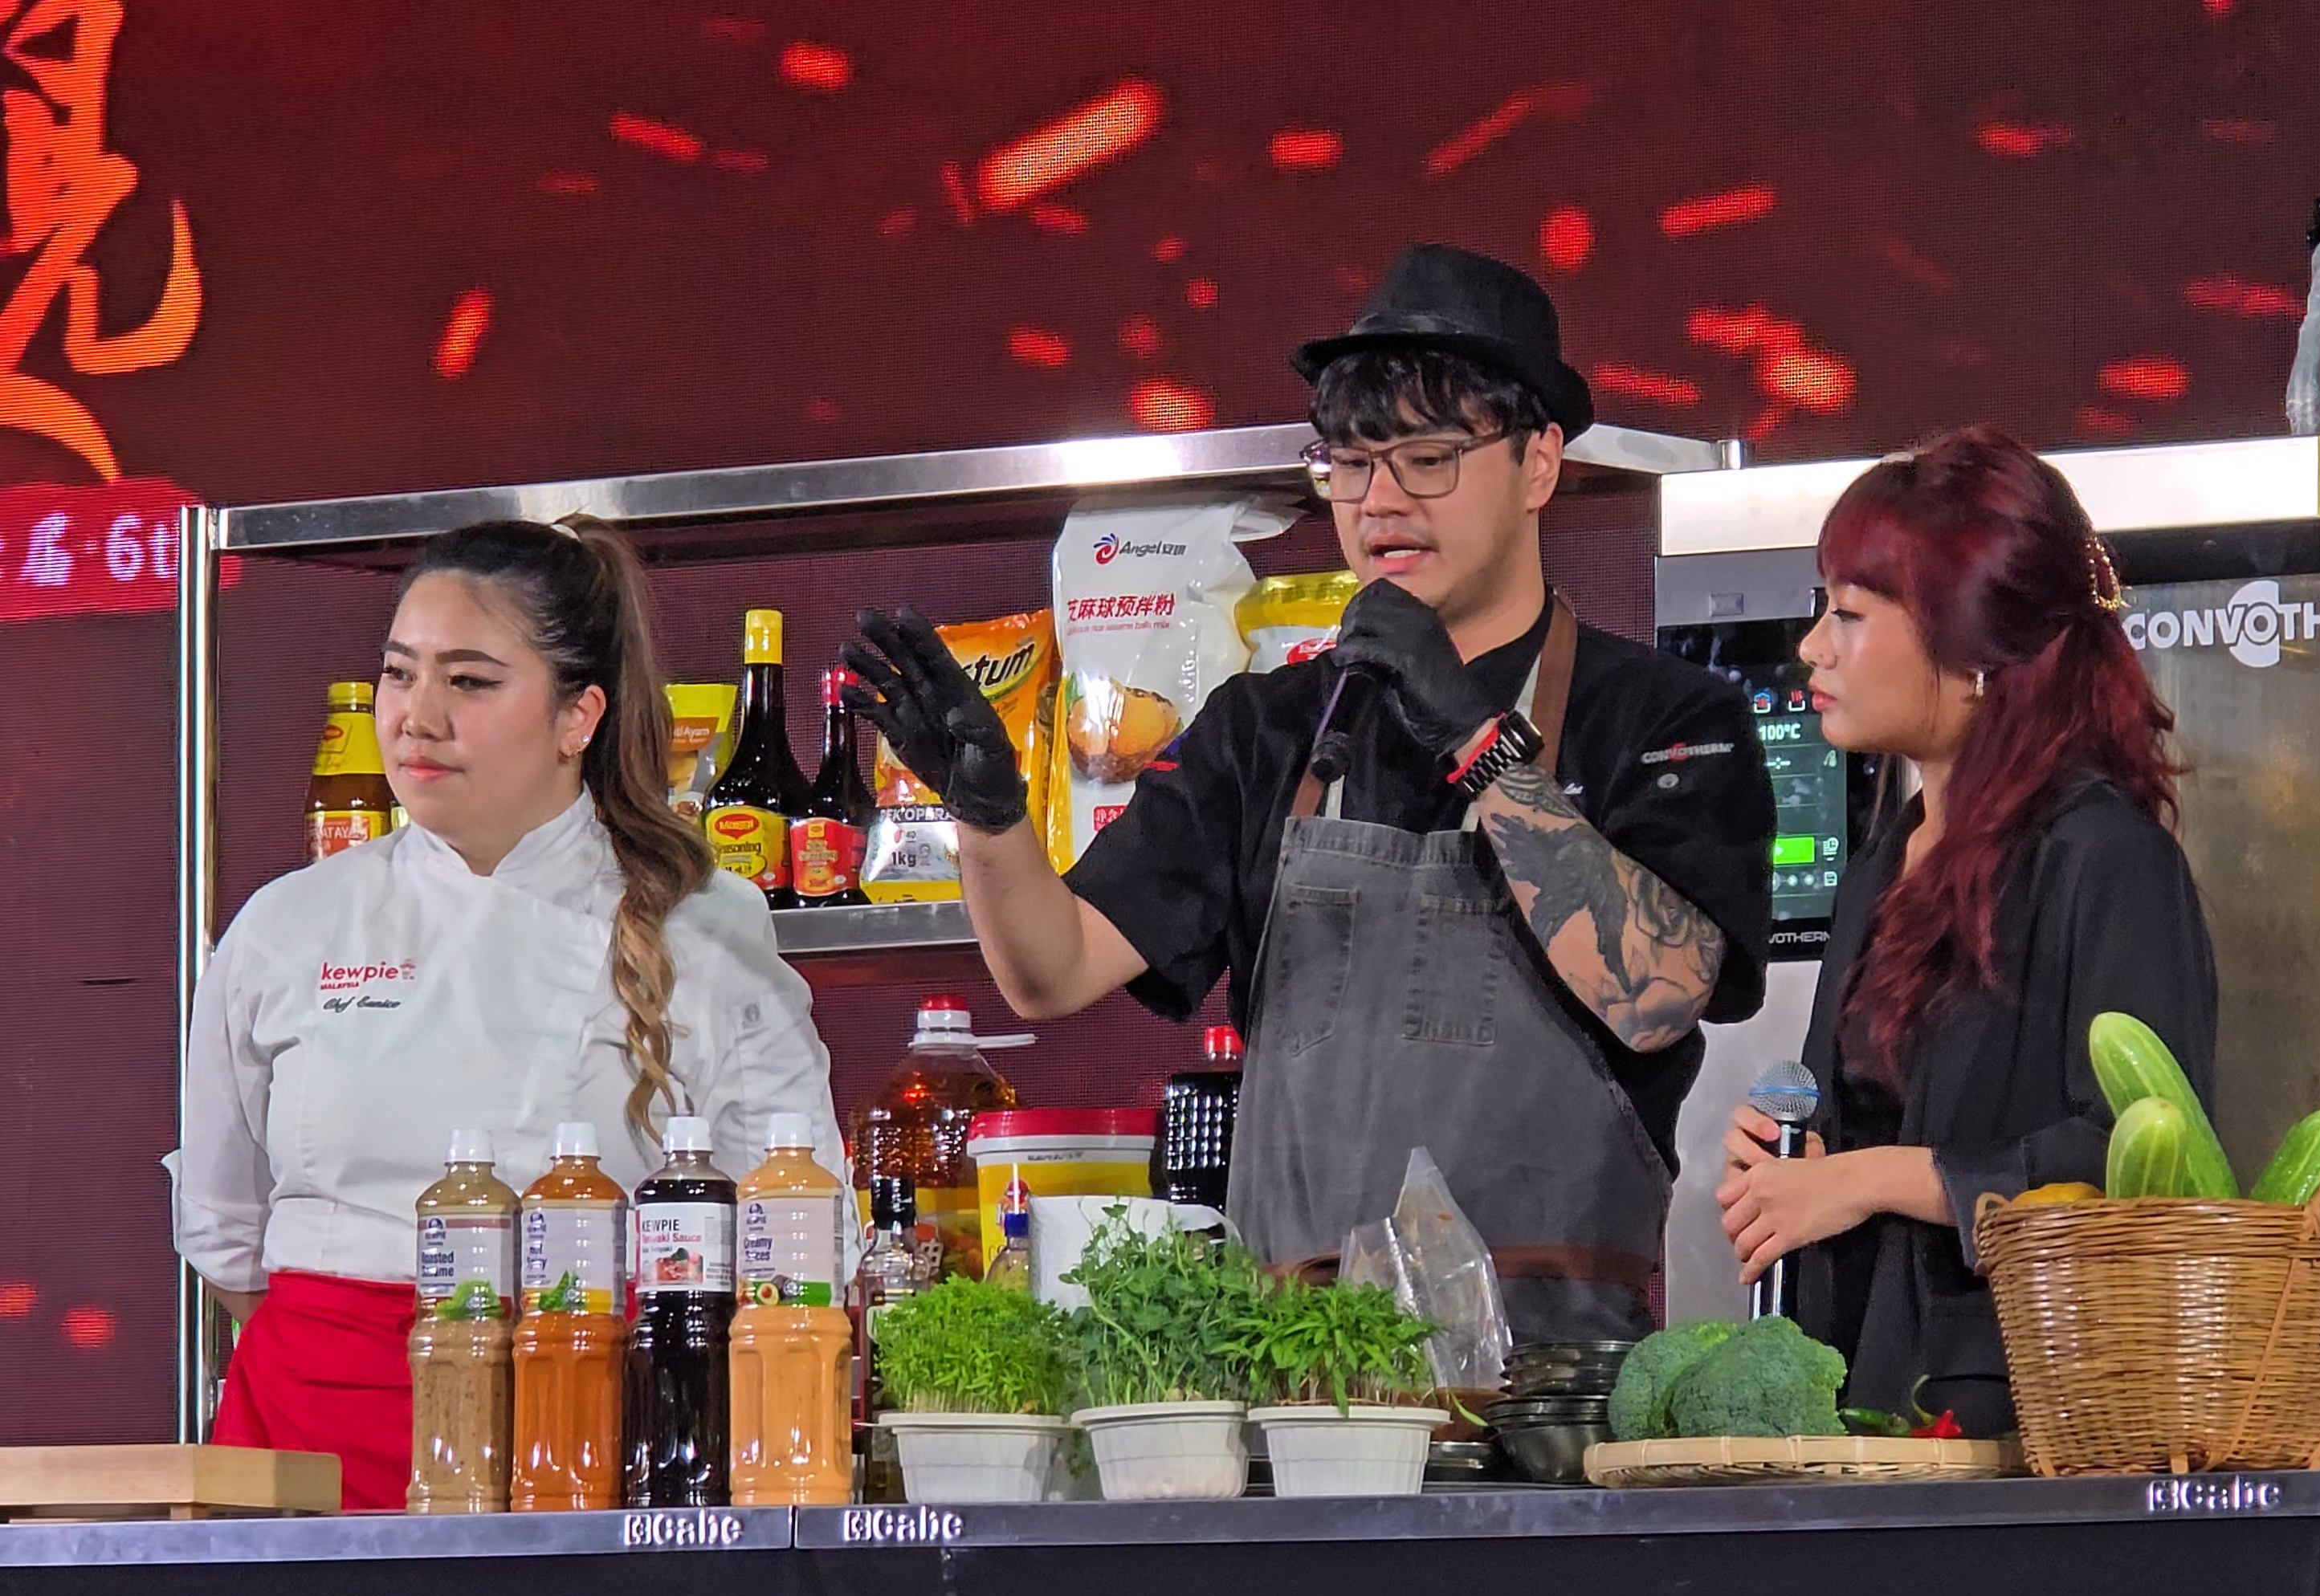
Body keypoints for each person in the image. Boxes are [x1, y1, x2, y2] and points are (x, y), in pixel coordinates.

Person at [849, 243, 1775, 1339]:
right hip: (1300, 1375)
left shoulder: (1664, 715)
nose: (1380, 500)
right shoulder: (1266, 729)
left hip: (1557, 1380)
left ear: (1539, 465)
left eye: (1427, 459)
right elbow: (1055, 971)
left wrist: (1477, 738)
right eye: (1348, 462)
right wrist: (989, 818)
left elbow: (1661, 993)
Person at [165, 516, 846, 1509]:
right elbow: (224, 1230)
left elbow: (797, 1225)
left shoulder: (704, 927)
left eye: (470, 682)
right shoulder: (287, 924)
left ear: (578, 716)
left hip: (583, 1436)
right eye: (399, 674)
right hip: (306, 1440)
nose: (417, 717)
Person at [1715, 426, 2217, 1437]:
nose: (1812, 648)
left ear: (1974, 651)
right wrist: (1796, 1161)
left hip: (2026, 1417)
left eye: (1849, 614)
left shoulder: (2105, 858)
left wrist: (1867, 1180)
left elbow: (2139, 1156)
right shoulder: (1881, 864)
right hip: (1862, 1401)